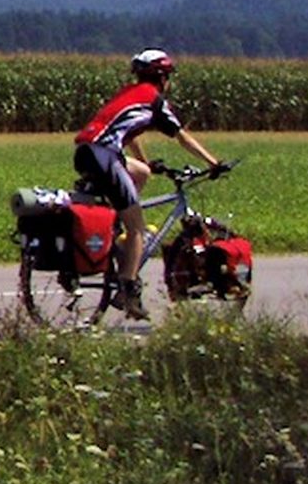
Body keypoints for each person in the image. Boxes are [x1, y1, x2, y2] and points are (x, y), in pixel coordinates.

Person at [73, 47, 223, 320]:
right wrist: (213, 162)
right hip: (105, 156)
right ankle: (128, 293)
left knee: (140, 172)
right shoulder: (154, 100)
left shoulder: (128, 94)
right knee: (138, 227)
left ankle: (116, 233)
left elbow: (127, 134)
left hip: (87, 152)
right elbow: (181, 136)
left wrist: (146, 161)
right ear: (162, 77)